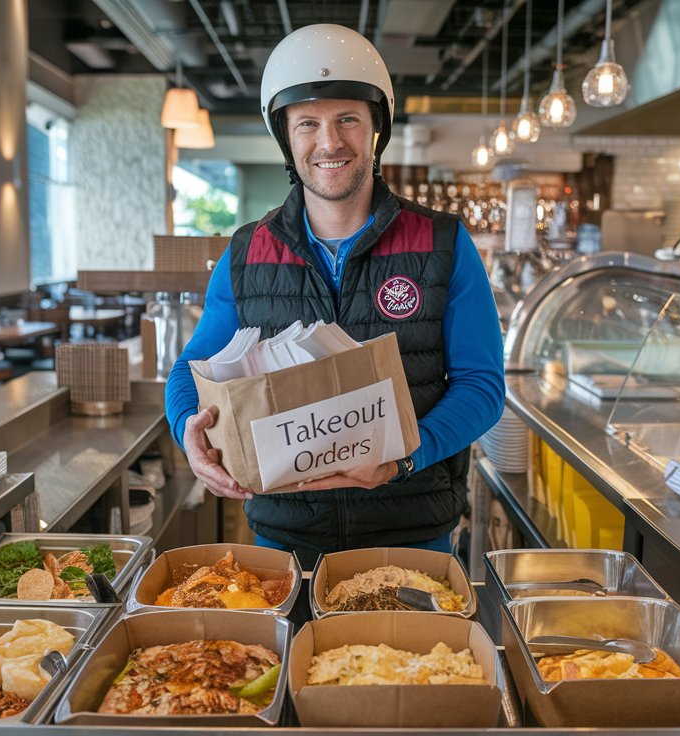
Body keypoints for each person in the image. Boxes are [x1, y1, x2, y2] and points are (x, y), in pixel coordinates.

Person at [164, 23, 505, 565]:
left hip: (412, 534)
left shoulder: (442, 242)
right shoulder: (247, 252)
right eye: (307, 124)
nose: (329, 142)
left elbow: (482, 387)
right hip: (285, 541)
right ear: (286, 138)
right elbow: (191, 368)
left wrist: (401, 458)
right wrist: (188, 428)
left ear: (376, 129)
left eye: (348, 118)